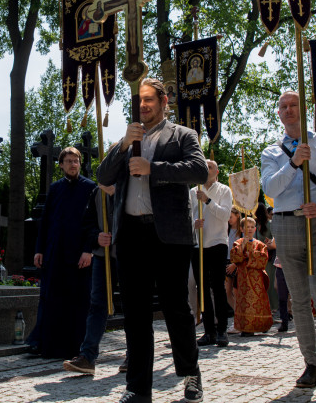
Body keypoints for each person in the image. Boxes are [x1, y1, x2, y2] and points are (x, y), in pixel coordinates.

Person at [97, 77, 208, 403]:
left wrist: (152, 168)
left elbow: (198, 171)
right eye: (139, 100)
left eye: (149, 99)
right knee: (135, 314)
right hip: (131, 236)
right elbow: (103, 176)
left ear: (163, 102)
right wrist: (122, 145)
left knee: (176, 309)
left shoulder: (182, 135)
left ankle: (191, 373)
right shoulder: (128, 139)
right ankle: (137, 388)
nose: (143, 105)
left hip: (170, 236)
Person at [261, 91, 316, 393]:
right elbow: (270, 188)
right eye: (283, 107)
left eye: (293, 105)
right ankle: (310, 363)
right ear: (279, 113)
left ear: (303, 109)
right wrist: (294, 163)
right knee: (298, 299)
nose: (288, 110)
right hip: (286, 223)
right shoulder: (271, 152)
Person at [27, 147, 97, 359]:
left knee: (78, 301)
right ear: (61, 165)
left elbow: (95, 223)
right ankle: (45, 344)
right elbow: (46, 221)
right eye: (68, 161)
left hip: (79, 255)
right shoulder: (55, 188)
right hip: (54, 252)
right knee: (51, 299)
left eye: (76, 161)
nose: (73, 164)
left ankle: (76, 348)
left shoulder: (90, 188)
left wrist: (88, 250)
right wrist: (39, 250)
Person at [64, 184, 126, 375]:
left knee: (132, 305)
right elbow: (87, 223)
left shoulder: (131, 185)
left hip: (128, 255)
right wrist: (96, 237)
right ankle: (87, 357)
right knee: (97, 304)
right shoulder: (97, 192)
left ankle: (135, 354)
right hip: (102, 256)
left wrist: (115, 196)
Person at [189, 160, 233, 347]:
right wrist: (193, 224)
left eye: (210, 167)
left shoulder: (224, 190)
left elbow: (225, 215)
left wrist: (208, 201)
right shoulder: (192, 192)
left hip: (217, 242)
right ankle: (209, 331)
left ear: (216, 172)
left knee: (218, 286)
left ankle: (222, 329)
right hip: (198, 245)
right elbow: (187, 216)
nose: (206, 170)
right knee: (202, 288)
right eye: (204, 167)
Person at [229, 217, 274, 335]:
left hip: (257, 279)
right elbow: (234, 257)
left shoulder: (260, 244)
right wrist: (243, 246)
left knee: (258, 301)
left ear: (255, 229)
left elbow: (264, 259)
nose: (249, 229)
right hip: (243, 278)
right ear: (241, 229)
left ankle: (261, 324)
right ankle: (246, 328)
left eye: (252, 227)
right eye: (247, 227)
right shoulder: (238, 243)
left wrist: (252, 254)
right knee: (244, 303)